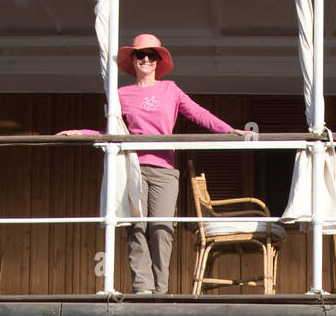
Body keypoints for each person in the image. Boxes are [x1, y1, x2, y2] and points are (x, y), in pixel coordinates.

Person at [60, 33, 242, 295]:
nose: (146, 59)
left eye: (151, 55)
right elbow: (111, 131)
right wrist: (82, 133)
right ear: (133, 60)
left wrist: (228, 130)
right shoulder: (121, 94)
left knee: (161, 229)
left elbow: (199, 113)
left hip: (165, 171)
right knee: (137, 227)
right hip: (132, 168)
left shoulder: (170, 90)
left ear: (158, 61)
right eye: (140, 54)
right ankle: (143, 288)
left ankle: (160, 291)